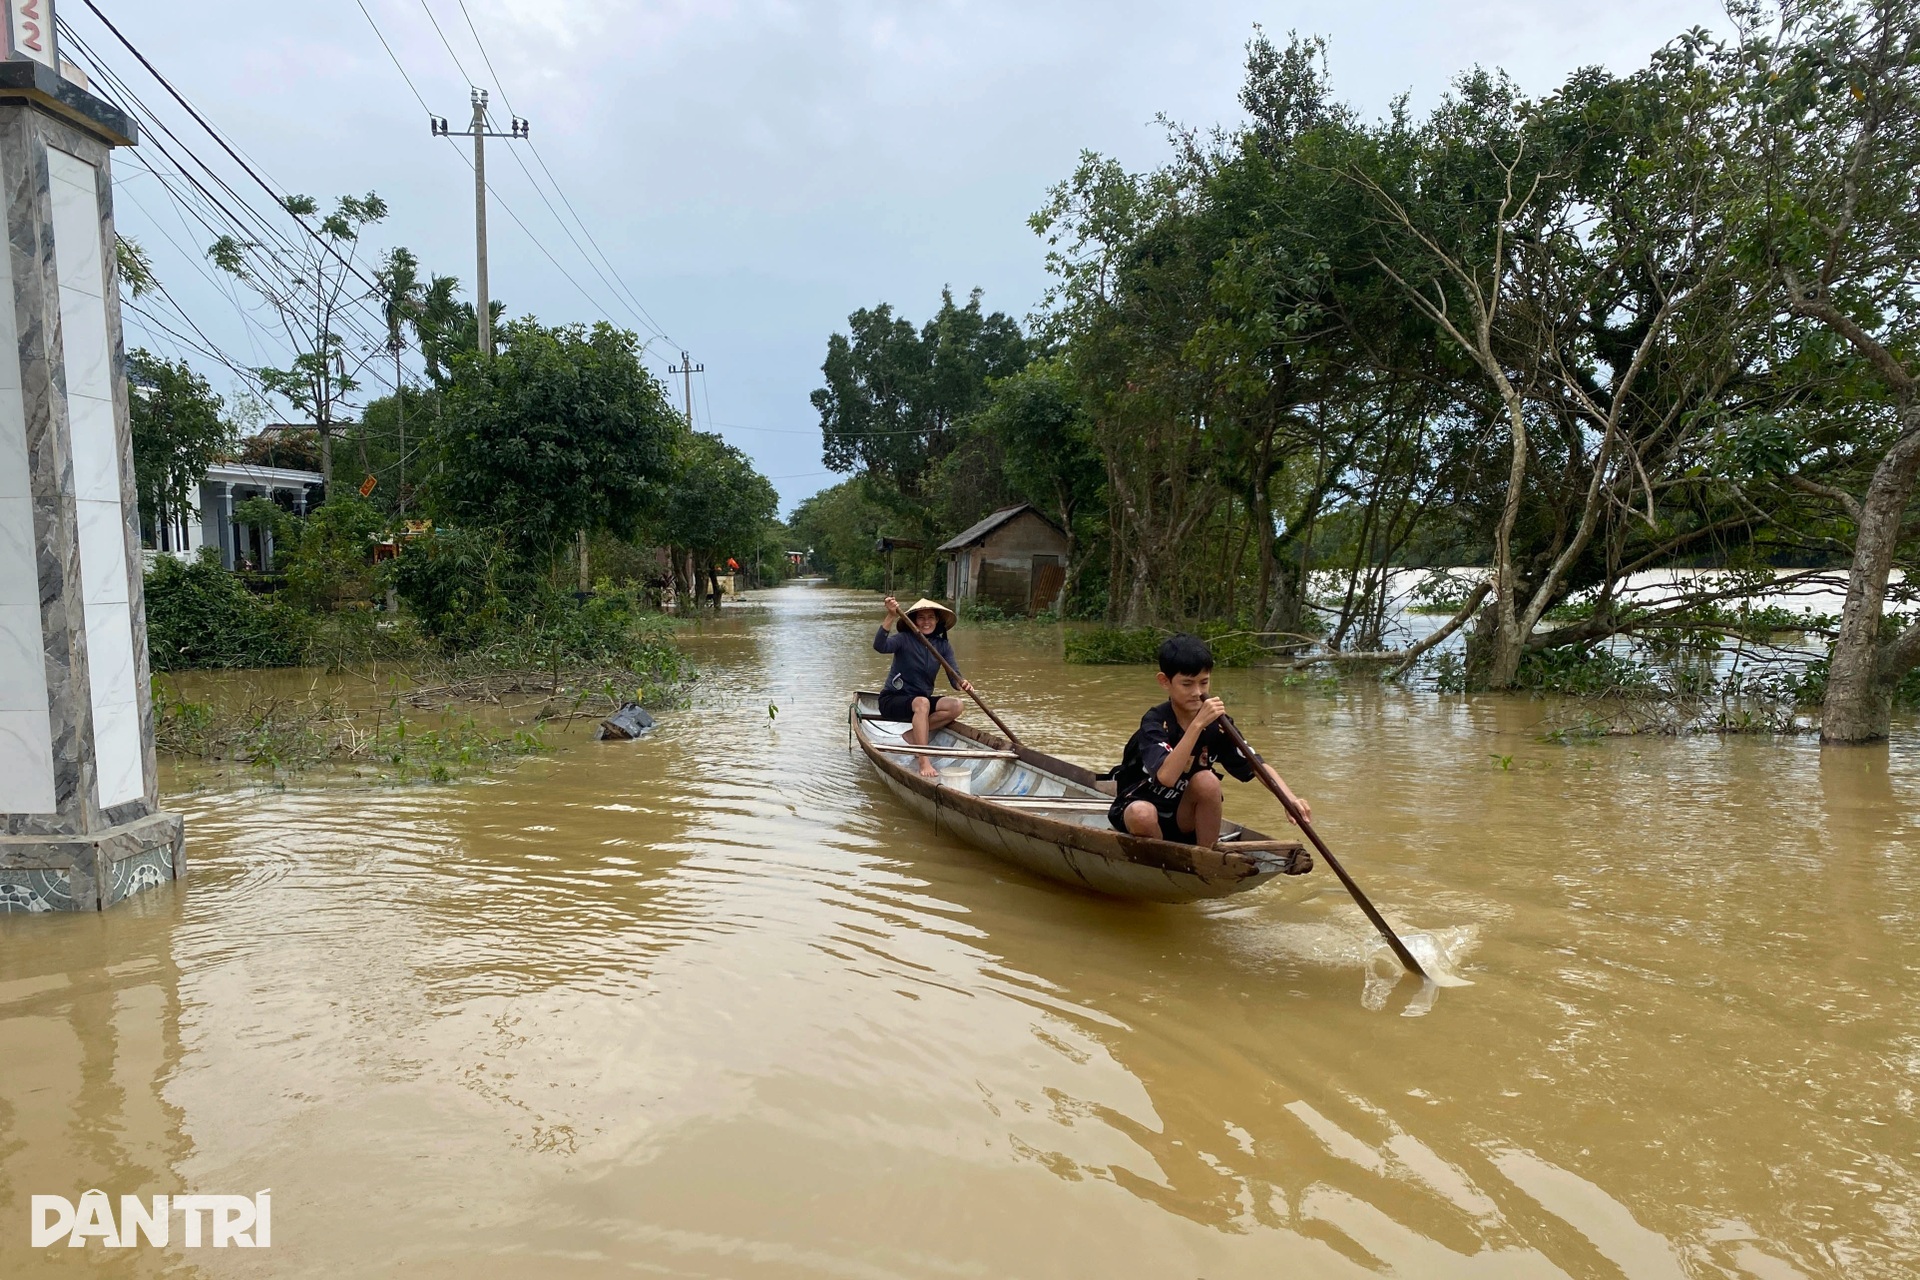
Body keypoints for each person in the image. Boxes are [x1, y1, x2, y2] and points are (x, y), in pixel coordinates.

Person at [1108, 633, 1311, 848]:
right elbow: (1166, 777)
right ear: (1164, 681)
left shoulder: (1218, 724)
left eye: (1204, 682)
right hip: (1139, 810)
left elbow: (1255, 764)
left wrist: (1288, 799)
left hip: (1183, 815)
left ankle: (1206, 859)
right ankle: (1163, 863)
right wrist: (1197, 725)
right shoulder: (1155, 722)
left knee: (1208, 780)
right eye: (1187, 684)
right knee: (1143, 814)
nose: (1198, 693)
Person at [873, 595, 974, 778]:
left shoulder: (942, 646)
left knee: (956, 705)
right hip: (893, 700)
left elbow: (954, 676)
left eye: (930, 618)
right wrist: (890, 615)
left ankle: (913, 735)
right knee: (922, 703)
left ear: (937, 621)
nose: (926, 622)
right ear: (914, 621)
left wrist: (962, 683)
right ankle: (923, 760)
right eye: (921, 618)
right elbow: (880, 646)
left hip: (920, 703)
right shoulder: (904, 639)